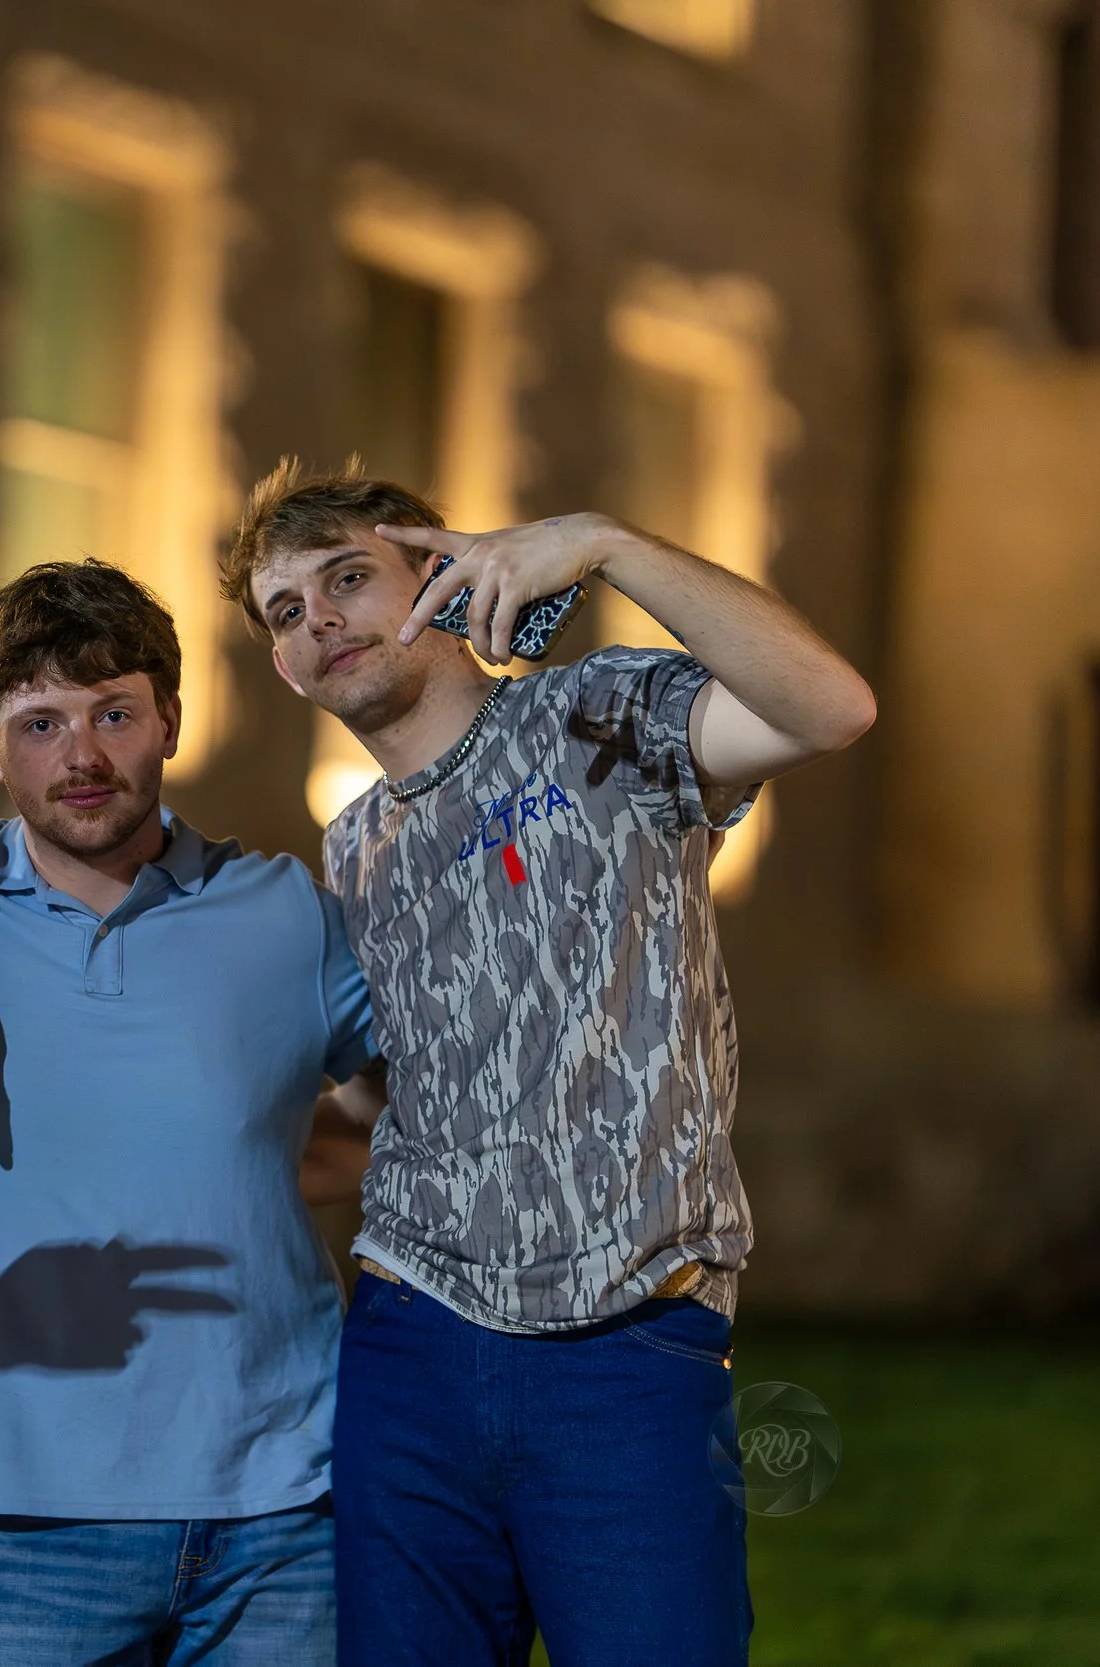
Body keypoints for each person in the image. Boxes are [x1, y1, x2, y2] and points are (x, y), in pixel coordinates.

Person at [222, 459, 877, 1667]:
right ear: (282, 666)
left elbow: (827, 708)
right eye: (286, 611)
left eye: (348, 578)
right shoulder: (353, 846)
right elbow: (391, 1090)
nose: (319, 620)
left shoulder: (599, 718)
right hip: (408, 1346)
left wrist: (604, 542)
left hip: (621, 1346)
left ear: (444, 574)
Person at [0, 560, 378, 1665]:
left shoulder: (282, 910)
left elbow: (410, 1095)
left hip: (288, 1506)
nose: (80, 756)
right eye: (39, 722)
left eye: (114, 712)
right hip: (49, 1519)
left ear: (170, 717)